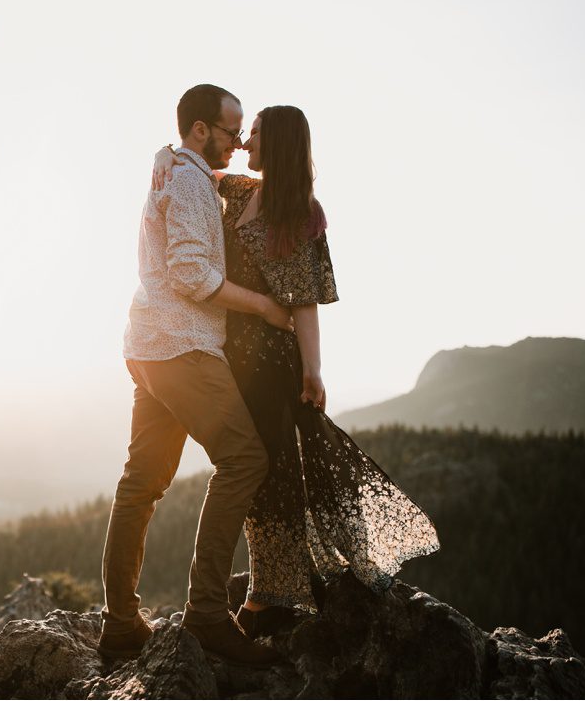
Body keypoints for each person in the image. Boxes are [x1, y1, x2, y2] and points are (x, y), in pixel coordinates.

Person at [151, 105, 440, 638]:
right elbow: (192, 166)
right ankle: (275, 588)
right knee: (258, 469)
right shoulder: (237, 191)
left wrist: (314, 372)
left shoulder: (300, 212)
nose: (244, 142)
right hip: (225, 350)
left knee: (272, 471)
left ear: (279, 143)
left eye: (255, 133)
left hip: (268, 360)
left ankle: (271, 596)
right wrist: (163, 152)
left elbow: (306, 304)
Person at [100, 84, 294, 667]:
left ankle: (119, 623)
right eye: (232, 131)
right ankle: (209, 614)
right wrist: (264, 308)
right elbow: (189, 272)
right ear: (202, 129)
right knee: (244, 460)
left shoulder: (177, 173)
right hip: (183, 347)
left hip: (147, 345)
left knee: (142, 482)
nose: (238, 143)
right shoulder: (187, 180)